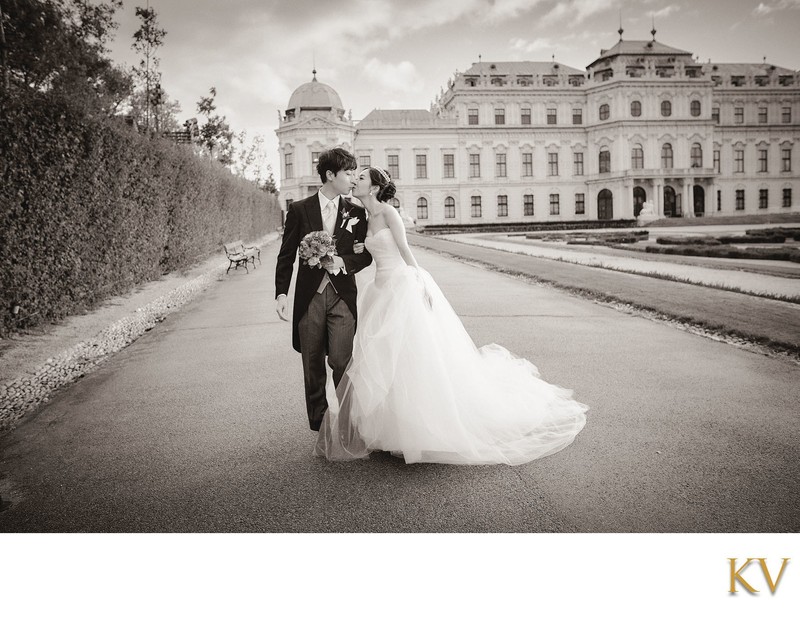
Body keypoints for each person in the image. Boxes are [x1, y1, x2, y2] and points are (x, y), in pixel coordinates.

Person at [315, 167, 588, 465]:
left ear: (376, 187)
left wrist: (419, 282)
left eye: (362, 178)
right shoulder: (364, 216)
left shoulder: (390, 213)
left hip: (400, 286)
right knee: (385, 357)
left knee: (411, 357)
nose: (356, 181)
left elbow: (405, 250)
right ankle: (387, 427)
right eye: (356, 177)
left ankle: (418, 427)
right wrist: (354, 249)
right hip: (379, 290)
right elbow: (370, 254)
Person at [275, 148, 372, 432]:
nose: (353, 178)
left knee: (342, 360)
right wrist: (281, 293)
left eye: (355, 173)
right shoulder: (299, 209)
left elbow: (364, 256)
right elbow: (286, 254)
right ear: (330, 175)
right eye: (348, 172)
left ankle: (348, 421)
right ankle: (320, 425)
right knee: (312, 364)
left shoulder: (355, 211)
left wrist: (344, 261)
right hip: (310, 298)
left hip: (343, 296)